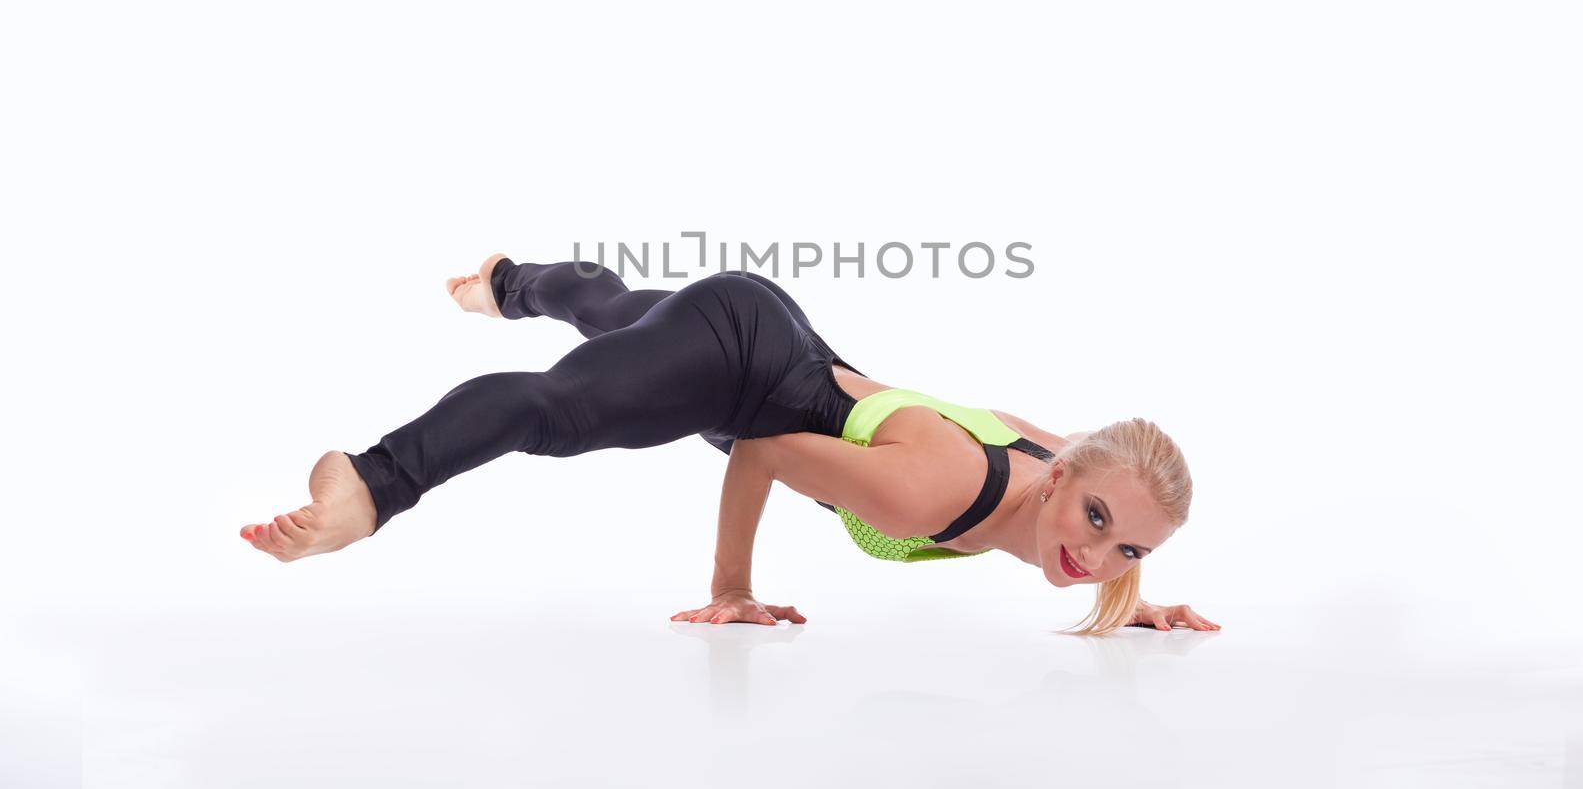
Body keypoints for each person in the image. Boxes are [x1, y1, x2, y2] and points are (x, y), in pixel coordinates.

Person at [239, 253, 1219, 636]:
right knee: (560, 411)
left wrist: (1131, 595)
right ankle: (367, 485)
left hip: (768, 341)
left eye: (1125, 548)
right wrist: (732, 588)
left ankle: (508, 282)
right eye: (1094, 522)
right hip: (741, 363)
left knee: (619, 319)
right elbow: (760, 451)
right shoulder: (937, 490)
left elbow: (1107, 500)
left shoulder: (1066, 470)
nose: (1093, 556)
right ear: (1061, 481)